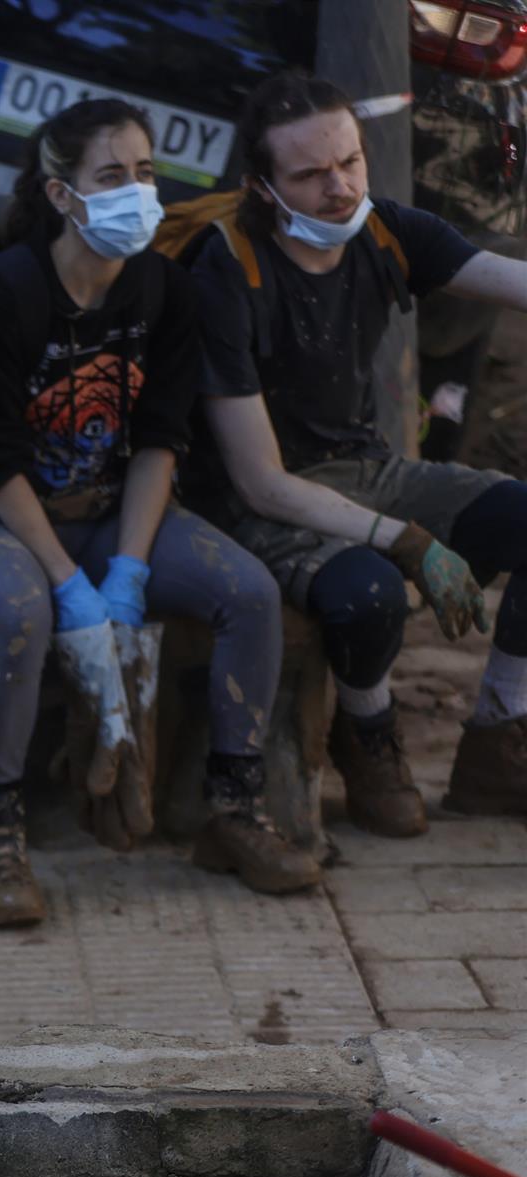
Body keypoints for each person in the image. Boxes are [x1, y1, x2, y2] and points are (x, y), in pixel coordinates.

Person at [0, 98, 316, 929]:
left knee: (248, 592)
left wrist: (131, 570)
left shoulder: (163, 291)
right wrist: (73, 584)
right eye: (112, 176)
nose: (137, 192)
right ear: (62, 195)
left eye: (146, 174)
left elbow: (159, 440)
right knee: (21, 613)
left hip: (115, 509)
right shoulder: (6, 297)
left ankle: (233, 807)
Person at [195, 71, 527, 836]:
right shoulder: (230, 270)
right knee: (373, 591)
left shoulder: (385, 229)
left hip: (366, 468)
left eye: (349, 163)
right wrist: (409, 542)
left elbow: (504, 276)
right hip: (259, 501)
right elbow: (260, 480)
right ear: (263, 186)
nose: (339, 188)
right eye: (310, 175)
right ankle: (368, 732)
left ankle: (497, 740)